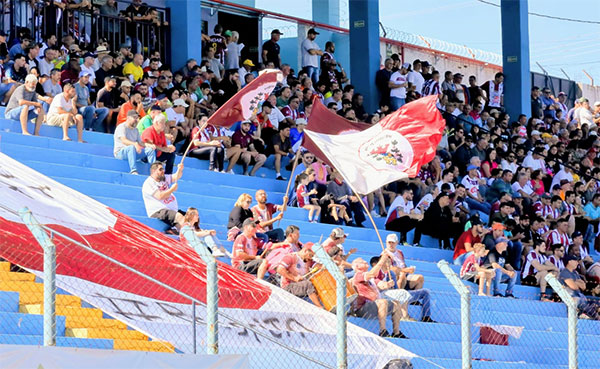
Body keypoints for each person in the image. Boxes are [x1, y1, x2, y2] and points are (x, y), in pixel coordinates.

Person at [350, 254, 408, 338]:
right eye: (362, 261)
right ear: (357, 266)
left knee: (396, 303)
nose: (365, 261)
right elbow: (371, 274)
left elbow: (381, 284)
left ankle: (396, 332)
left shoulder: (371, 278)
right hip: (362, 307)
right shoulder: (359, 275)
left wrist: (388, 284)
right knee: (383, 302)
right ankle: (383, 330)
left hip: (374, 305)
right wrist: (381, 261)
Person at [142, 162, 184, 232]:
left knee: (190, 217)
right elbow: (160, 196)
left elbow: (177, 176)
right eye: (160, 169)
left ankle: (175, 230)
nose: (163, 171)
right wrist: (172, 189)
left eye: (163, 169)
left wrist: (180, 169)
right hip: (158, 211)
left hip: (169, 210)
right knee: (179, 217)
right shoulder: (149, 183)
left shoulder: (163, 178)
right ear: (153, 171)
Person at [114, 110, 156, 174]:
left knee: (150, 150)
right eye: (134, 118)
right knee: (131, 147)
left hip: (133, 152)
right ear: (128, 118)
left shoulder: (136, 130)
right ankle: (133, 170)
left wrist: (149, 145)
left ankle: (154, 172)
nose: (136, 120)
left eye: (137, 118)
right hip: (120, 153)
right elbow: (124, 140)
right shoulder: (121, 127)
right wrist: (135, 144)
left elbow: (141, 143)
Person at [559, 255, 600, 319]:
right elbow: (574, 286)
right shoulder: (564, 273)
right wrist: (577, 282)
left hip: (580, 296)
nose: (577, 262)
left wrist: (575, 282)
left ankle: (590, 316)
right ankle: (596, 317)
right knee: (583, 303)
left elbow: (583, 286)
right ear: (569, 262)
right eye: (575, 261)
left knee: (596, 301)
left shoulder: (575, 273)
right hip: (571, 298)